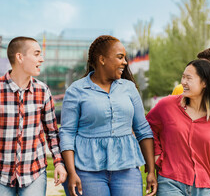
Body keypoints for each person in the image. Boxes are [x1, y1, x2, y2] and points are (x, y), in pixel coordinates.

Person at [0, 37, 67, 196]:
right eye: (37, 54)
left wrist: (59, 163)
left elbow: (52, 133)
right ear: (20, 57)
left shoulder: (43, 91)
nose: (42, 59)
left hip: (34, 174)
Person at [59, 35, 157, 196]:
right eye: (120, 57)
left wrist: (151, 170)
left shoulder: (129, 88)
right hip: (86, 170)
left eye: (125, 58)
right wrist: (71, 172)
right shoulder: (76, 90)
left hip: (127, 168)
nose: (125, 62)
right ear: (102, 59)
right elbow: (67, 133)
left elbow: (143, 130)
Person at [147, 59, 210, 196]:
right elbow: (147, 127)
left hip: (203, 187)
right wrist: (157, 155)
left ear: (205, 83)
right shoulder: (167, 105)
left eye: (189, 78)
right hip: (171, 181)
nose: (183, 82)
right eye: (183, 77)